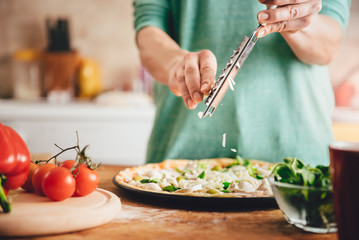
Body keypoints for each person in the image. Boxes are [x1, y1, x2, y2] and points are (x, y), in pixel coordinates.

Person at [133, 0, 351, 165]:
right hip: (180, 161)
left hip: (297, 162)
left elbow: (329, 43)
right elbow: (149, 27)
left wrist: (296, 19)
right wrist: (176, 64)